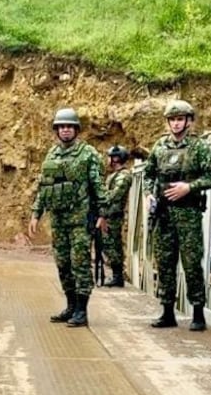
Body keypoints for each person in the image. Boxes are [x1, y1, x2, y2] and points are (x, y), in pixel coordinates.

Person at [29, 108, 109, 327]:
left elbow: (98, 186)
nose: (65, 130)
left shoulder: (88, 154)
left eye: (69, 127)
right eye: (61, 127)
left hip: (80, 220)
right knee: (63, 264)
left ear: (76, 129)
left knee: (80, 263)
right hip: (59, 220)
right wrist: (36, 213)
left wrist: (103, 214)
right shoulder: (52, 154)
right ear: (57, 130)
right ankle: (71, 306)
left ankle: (82, 311)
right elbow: (44, 186)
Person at [146, 100, 211, 331]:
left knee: (191, 263)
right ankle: (167, 311)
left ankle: (198, 312)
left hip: (188, 213)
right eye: (172, 120)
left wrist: (189, 187)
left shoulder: (199, 147)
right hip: (164, 214)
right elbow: (149, 174)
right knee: (165, 262)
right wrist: (148, 193)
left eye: (180, 119)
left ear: (188, 121)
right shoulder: (159, 147)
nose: (176, 124)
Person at [99, 145, 133, 287]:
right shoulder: (114, 175)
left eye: (110, 156)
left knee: (113, 245)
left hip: (113, 215)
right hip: (109, 214)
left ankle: (118, 276)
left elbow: (114, 196)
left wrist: (103, 214)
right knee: (109, 244)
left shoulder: (124, 176)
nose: (107, 159)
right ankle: (116, 275)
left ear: (116, 158)